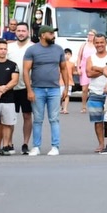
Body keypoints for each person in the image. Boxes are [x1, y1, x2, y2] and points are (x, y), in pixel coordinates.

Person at [24, 24, 70, 156]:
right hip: (37, 88)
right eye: (50, 33)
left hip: (54, 89)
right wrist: (29, 90)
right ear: (43, 35)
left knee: (54, 119)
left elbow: (64, 69)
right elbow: (26, 71)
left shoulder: (58, 49)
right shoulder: (32, 50)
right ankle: (36, 146)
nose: (53, 36)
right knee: (37, 119)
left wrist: (66, 88)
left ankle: (55, 146)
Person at [7, 22, 34, 154]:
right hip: (11, 87)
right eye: (19, 30)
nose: (21, 33)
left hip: (27, 87)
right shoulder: (9, 47)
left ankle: (25, 143)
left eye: (23, 31)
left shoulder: (33, 48)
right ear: (15, 32)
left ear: (28, 32)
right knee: (10, 117)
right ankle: (9, 143)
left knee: (27, 115)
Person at [86, 34, 107, 153]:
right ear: (94, 43)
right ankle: (101, 144)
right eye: (97, 42)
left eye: (102, 42)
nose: (99, 45)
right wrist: (104, 70)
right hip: (94, 92)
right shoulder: (90, 58)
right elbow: (89, 74)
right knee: (98, 120)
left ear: (106, 43)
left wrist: (97, 68)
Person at [75, 29, 97, 113]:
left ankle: (93, 105)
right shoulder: (84, 45)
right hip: (84, 68)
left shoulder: (96, 45)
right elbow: (79, 57)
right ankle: (83, 105)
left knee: (94, 88)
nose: (90, 36)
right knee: (84, 89)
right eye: (89, 35)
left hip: (93, 67)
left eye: (91, 35)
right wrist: (78, 68)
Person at [60, 48, 75, 114]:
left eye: (69, 54)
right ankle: (61, 106)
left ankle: (65, 108)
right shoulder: (60, 63)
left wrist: (80, 72)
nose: (67, 55)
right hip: (60, 81)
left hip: (69, 82)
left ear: (71, 55)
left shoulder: (72, 64)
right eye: (65, 54)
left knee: (67, 95)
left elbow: (73, 72)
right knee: (60, 95)